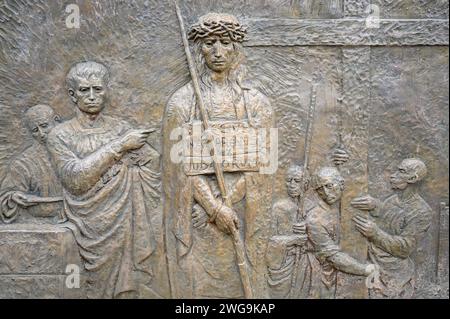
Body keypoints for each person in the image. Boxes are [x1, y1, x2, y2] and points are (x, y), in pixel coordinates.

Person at [162, 13, 274, 298]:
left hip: (240, 216)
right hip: (199, 219)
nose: (218, 51)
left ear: (237, 49)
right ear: (199, 49)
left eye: (225, 42)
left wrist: (229, 203)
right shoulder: (182, 103)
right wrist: (213, 209)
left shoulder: (257, 104)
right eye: (209, 43)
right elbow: (179, 169)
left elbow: (262, 169)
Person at [47, 61, 163, 298]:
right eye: (84, 90)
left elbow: (153, 163)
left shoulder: (121, 128)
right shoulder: (60, 135)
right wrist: (120, 148)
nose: (91, 96)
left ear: (106, 90)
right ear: (72, 94)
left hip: (125, 221)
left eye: (97, 89)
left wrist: (137, 168)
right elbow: (75, 179)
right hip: (86, 224)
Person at [351, 158, 432, 298]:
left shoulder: (422, 211)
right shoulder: (394, 199)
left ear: (413, 178)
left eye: (401, 172)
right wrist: (376, 205)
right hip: (373, 261)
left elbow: (405, 248)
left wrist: (375, 234)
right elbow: (391, 218)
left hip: (394, 272)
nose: (393, 175)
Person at [303, 166, 378, 298]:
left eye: (330, 185)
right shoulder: (315, 219)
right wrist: (364, 269)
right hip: (322, 279)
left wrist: (378, 208)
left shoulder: (345, 208)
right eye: (320, 189)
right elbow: (334, 257)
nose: (325, 192)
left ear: (341, 184)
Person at [0, 104, 62, 223]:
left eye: (44, 126)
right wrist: (14, 197)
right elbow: (5, 197)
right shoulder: (23, 163)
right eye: (35, 130)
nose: (41, 133)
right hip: (40, 220)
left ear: (57, 121)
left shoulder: (78, 148)